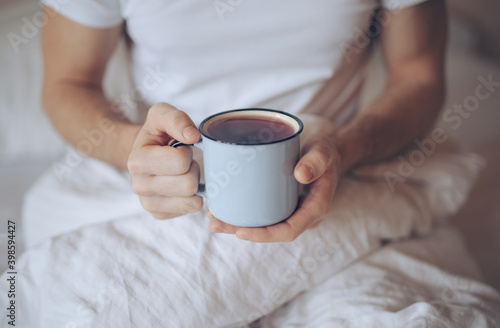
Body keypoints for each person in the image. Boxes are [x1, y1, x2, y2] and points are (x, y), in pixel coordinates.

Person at [39, 0, 446, 243]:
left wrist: (347, 148)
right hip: (152, 198)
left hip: (342, 184)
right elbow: (68, 83)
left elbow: (419, 76)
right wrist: (134, 150)